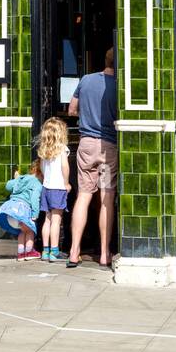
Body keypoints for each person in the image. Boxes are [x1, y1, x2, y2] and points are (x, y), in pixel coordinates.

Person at [66, 47, 118, 268]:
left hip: (86, 144)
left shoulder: (85, 80)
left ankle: (74, 251)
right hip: (109, 146)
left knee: (84, 196)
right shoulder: (119, 85)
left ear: (104, 60)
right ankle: (105, 253)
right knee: (106, 199)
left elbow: (71, 110)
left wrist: (87, 115)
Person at [36, 116, 70, 262]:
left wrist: (45, 180)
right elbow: (65, 167)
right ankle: (55, 250)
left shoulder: (44, 151)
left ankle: (45, 250)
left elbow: (43, 169)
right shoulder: (62, 149)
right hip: (58, 187)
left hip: (46, 187)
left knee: (47, 220)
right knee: (57, 220)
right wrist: (67, 183)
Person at [0, 161, 43, 260]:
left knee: (22, 232)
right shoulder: (36, 183)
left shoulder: (21, 178)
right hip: (23, 211)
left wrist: (16, 179)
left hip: (10, 212)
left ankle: (21, 254)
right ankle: (29, 252)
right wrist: (35, 213)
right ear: (40, 173)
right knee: (29, 232)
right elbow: (35, 199)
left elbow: (8, 186)